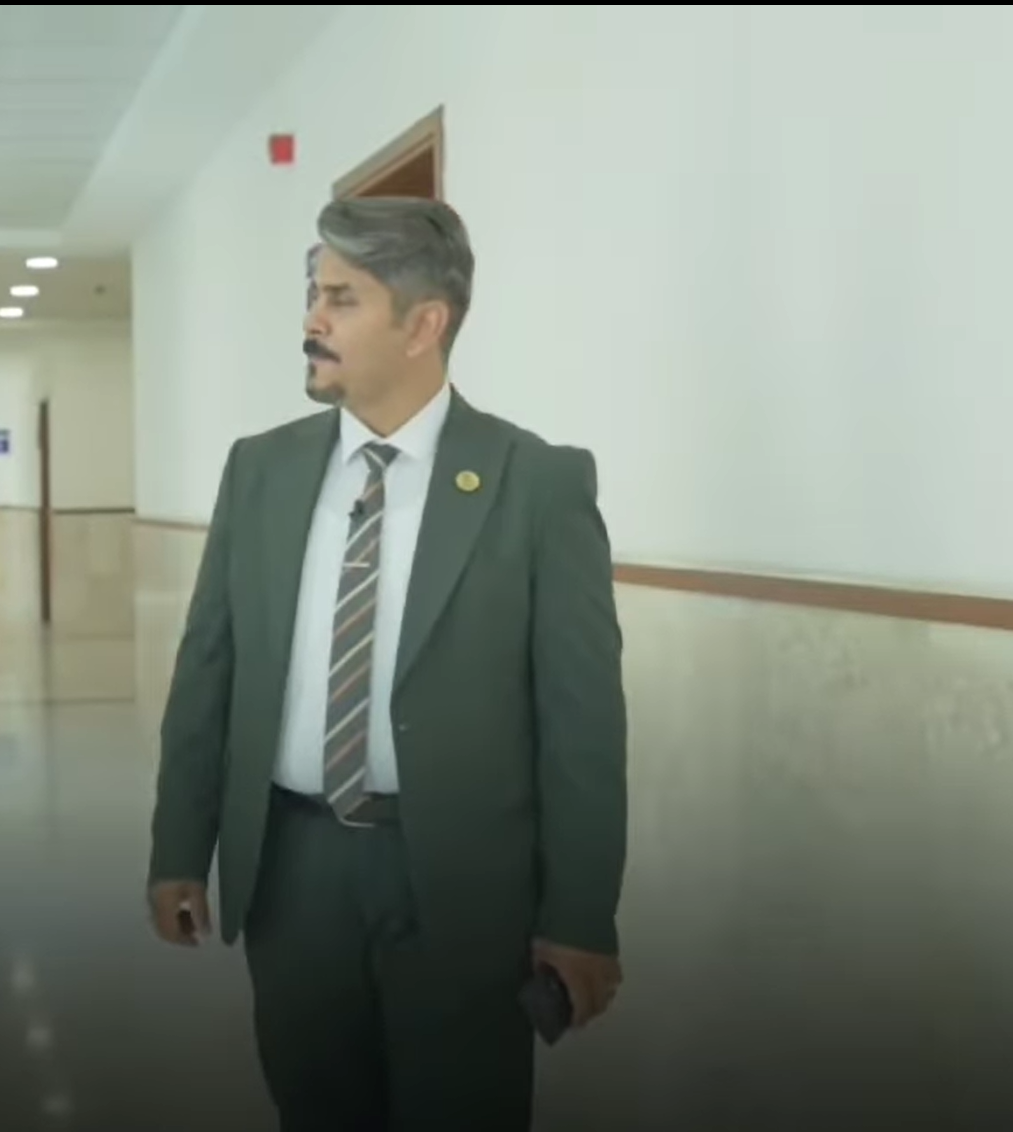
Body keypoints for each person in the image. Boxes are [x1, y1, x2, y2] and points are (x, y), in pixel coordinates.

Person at [145, 195, 627, 1131]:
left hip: (462, 881)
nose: (311, 322)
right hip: (292, 868)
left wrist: (579, 916)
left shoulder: (537, 484)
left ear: (424, 325)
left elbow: (584, 726)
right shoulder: (261, 470)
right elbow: (209, 672)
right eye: (312, 295)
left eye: (342, 299)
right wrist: (178, 851)